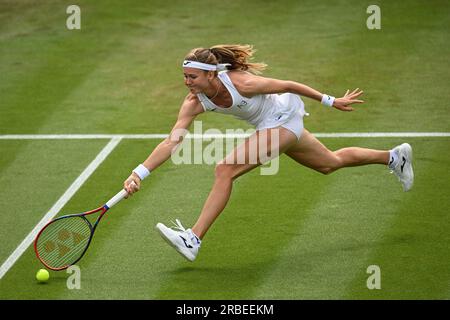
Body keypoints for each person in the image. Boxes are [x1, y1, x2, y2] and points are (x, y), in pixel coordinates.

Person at [123, 44, 414, 262]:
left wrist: (330, 100)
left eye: (193, 77)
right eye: (185, 76)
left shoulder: (242, 83)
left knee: (225, 169)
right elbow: (171, 142)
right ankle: (393, 157)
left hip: (283, 120)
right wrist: (139, 173)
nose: (187, 82)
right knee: (329, 163)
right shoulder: (193, 102)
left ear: (212, 76)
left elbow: (288, 84)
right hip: (273, 125)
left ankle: (193, 238)